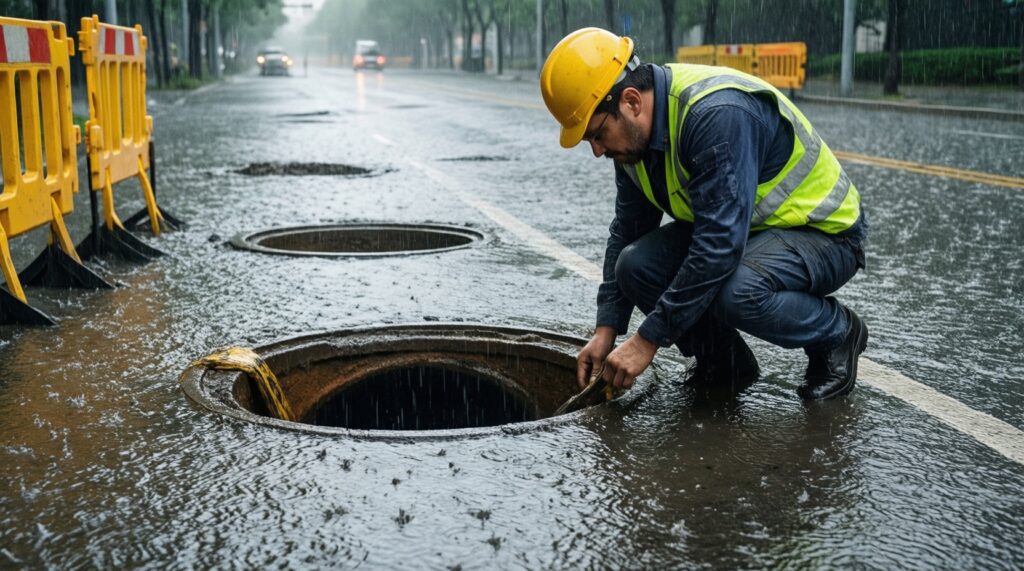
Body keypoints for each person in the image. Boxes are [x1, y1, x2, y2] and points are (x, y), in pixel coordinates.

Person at [540, 28, 869, 400]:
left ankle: (837, 333)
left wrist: (648, 339)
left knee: (736, 289)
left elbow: (718, 247)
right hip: (751, 233)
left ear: (631, 101)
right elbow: (628, 230)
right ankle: (724, 360)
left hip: (823, 235)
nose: (597, 150)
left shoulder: (715, 115)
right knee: (634, 265)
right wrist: (607, 328)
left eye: (597, 134)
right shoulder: (632, 140)